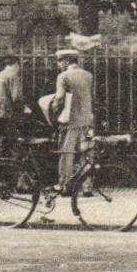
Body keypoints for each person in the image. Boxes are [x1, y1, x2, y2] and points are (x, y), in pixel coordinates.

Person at [51, 48, 94, 190]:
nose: (58, 64)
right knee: (86, 153)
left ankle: (65, 185)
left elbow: (59, 97)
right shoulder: (88, 75)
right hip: (87, 121)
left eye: (60, 61)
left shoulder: (63, 76)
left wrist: (53, 106)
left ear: (67, 61)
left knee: (67, 154)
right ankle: (87, 186)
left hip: (70, 121)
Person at [0, 57, 33, 135]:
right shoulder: (13, 75)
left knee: (2, 137)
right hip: (8, 113)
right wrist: (25, 107)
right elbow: (16, 97)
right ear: (16, 64)